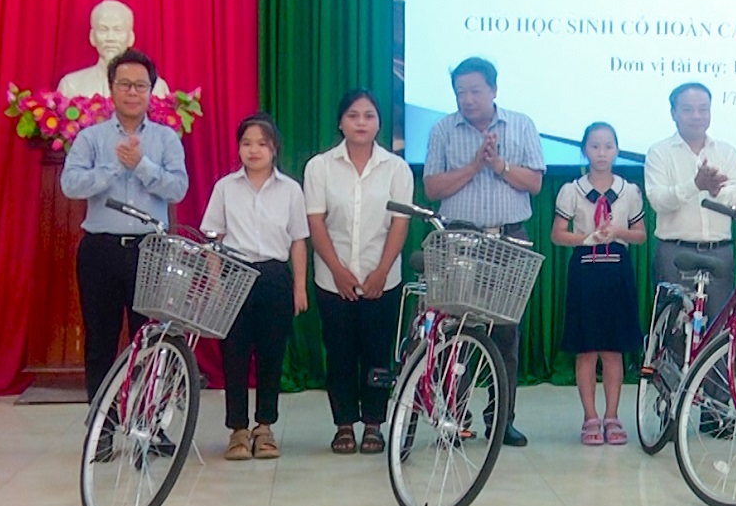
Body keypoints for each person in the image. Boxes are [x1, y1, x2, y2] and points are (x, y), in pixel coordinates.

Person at [423, 57, 545, 447]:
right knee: (456, 333)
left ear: (493, 89)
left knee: (506, 335)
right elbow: (432, 188)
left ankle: (501, 420)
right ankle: (454, 418)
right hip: (460, 241)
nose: (468, 99)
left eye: (475, 90)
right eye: (461, 92)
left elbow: (535, 183)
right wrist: (475, 166)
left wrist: (500, 165)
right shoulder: (443, 129)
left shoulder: (521, 125)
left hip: (509, 240)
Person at [62, 49, 188, 402]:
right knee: (100, 341)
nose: (133, 92)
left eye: (140, 86)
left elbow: (178, 189)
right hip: (100, 249)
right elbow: (70, 185)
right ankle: (103, 422)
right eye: (125, 84)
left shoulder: (166, 139)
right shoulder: (91, 138)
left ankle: (147, 419)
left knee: (150, 340)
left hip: (150, 250)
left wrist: (141, 165)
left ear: (151, 91)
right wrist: (114, 168)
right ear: (112, 88)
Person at [304, 89, 414, 455]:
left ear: (379, 123)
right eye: (353, 115)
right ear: (340, 122)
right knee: (339, 354)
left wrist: (382, 270)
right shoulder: (319, 167)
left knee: (377, 353)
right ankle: (344, 425)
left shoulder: (396, 168)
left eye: (369, 115)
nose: (361, 123)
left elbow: (400, 224)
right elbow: (316, 222)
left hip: (382, 279)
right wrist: (337, 270)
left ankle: (374, 424)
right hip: (332, 279)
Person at [201, 113, 309, 460]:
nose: (254, 150)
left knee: (271, 355)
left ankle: (264, 428)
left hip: (275, 277)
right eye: (247, 143)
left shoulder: (290, 189)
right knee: (234, 355)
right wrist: (216, 286)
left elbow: (298, 241)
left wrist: (299, 287)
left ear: (274, 148)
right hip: (235, 274)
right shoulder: (225, 187)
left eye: (262, 143)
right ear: (238, 148)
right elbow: (213, 239)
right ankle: (238, 430)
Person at [549, 123, 646, 446]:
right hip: (585, 271)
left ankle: (612, 416)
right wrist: (586, 238)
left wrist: (617, 232)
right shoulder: (571, 190)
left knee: (613, 349)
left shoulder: (629, 191)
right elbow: (557, 234)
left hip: (617, 270)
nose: (602, 153)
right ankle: (590, 416)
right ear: (584, 150)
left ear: (617, 150)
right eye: (594, 146)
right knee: (587, 348)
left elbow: (641, 235)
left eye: (608, 146)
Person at [644, 83, 736, 327]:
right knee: (673, 330)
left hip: (719, 252)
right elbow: (658, 200)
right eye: (688, 109)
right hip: (675, 252)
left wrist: (715, 191)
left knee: (719, 332)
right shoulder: (659, 152)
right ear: (673, 113)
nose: (697, 116)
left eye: (703, 109)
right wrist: (695, 185)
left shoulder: (726, 151)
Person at [57, 0, 171, 98]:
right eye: (103, 29)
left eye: (118, 30)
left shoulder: (155, 87)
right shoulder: (71, 86)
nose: (110, 38)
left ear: (131, 38)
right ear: (92, 37)